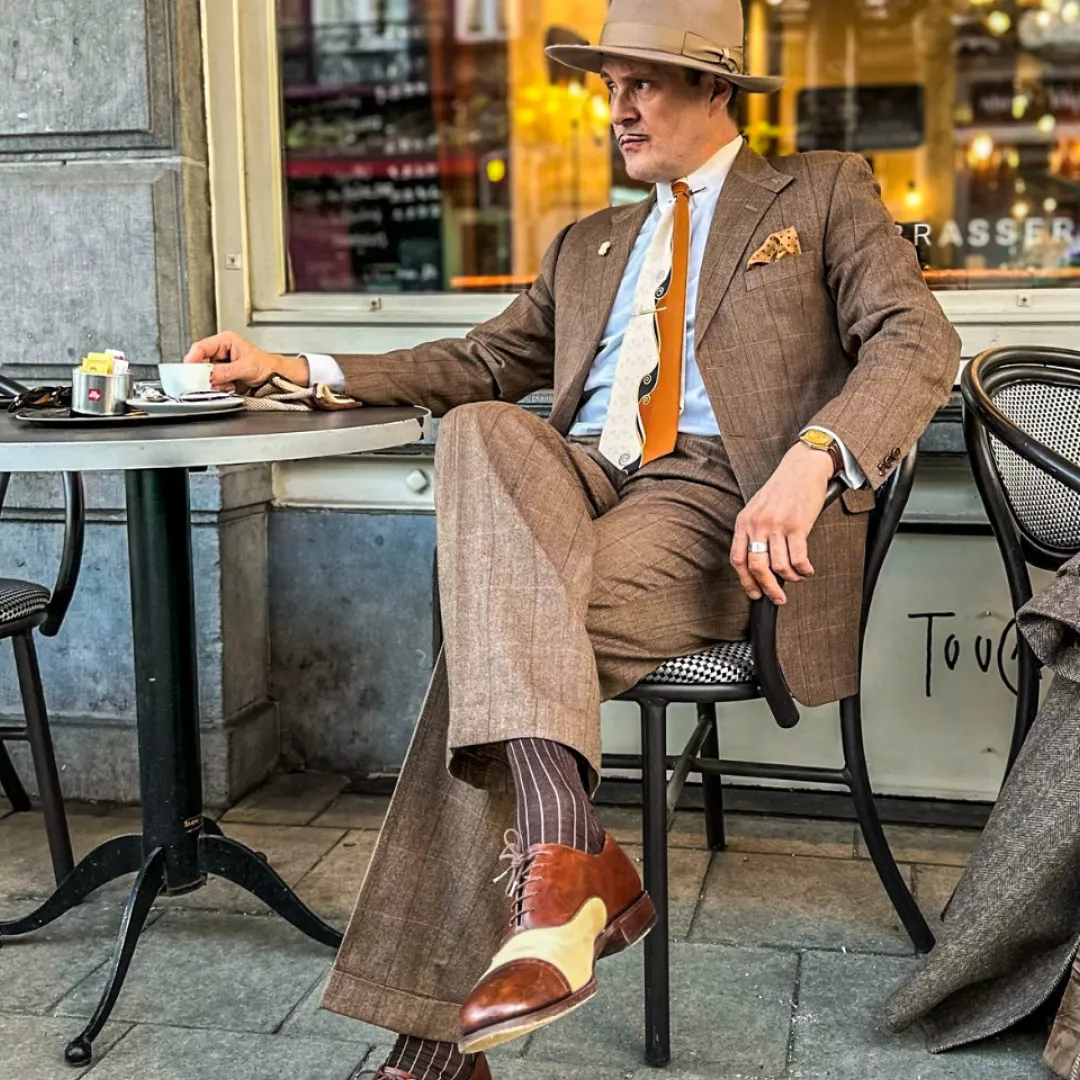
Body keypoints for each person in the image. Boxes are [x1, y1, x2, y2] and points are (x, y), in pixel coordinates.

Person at [185, 1, 961, 1076]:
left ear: (715, 89)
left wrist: (812, 458)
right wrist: (297, 366)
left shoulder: (820, 192)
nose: (618, 108)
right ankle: (566, 849)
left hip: (713, 498)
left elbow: (918, 340)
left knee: (496, 645)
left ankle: (437, 1043)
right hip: (581, 480)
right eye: (610, 86)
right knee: (482, 429)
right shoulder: (591, 242)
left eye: (642, 82)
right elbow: (477, 364)